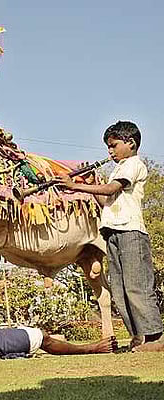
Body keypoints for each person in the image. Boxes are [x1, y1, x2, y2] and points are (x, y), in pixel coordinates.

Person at [56, 121, 163, 350]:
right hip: (113, 232)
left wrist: (75, 186)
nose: (110, 151)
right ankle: (138, 337)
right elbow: (106, 200)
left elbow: (110, 190)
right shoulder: (119, 169)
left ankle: (155, 337)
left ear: (131, 143)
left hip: (131, 232)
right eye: (108, 147)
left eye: (113, 146)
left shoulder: (133, 164)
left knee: (137, 285)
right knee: (120, 288)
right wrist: (91, 183)